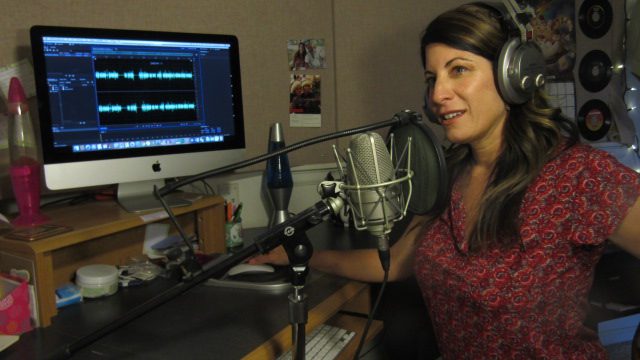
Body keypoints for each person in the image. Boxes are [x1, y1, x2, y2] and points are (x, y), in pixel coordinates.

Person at [251, 3, 640, 358]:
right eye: (432, 77)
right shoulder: (446, 175)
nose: (438, 94)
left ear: (513, 76)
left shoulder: (580, 176)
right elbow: (398, 261)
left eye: (459, 70)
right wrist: (303, 256)